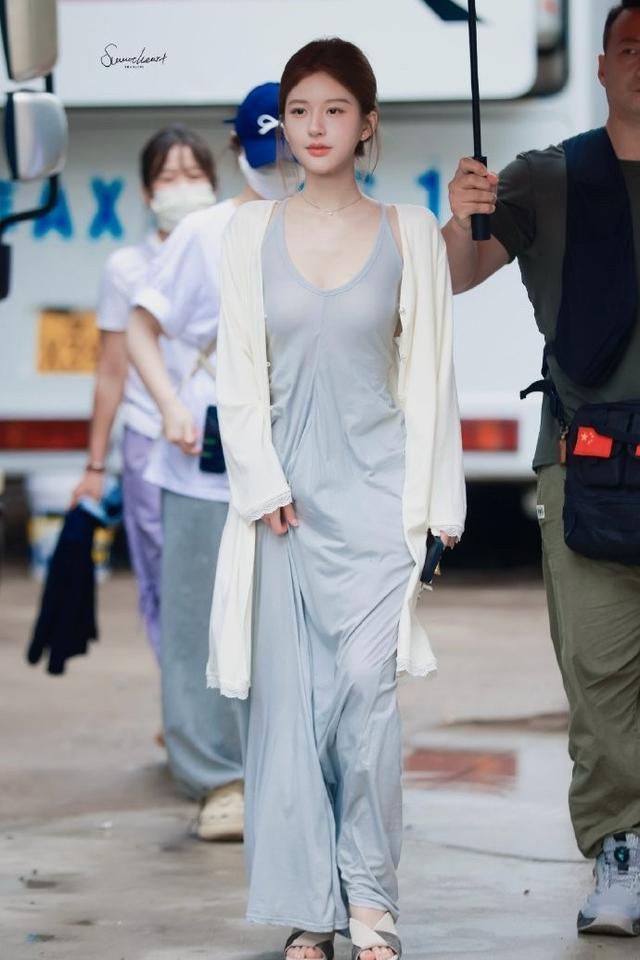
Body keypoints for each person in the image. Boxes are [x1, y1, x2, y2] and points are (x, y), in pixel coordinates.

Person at [207, 39, 466, 960]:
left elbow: (431, 377)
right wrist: (259, 480)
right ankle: (311, 912)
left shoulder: (408, 231)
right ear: (284, 124)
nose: (315, 127)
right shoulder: (247, 234)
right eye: (300, 110)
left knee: (365, 702)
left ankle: (373, 905)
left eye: (335, 109)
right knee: (292, 716)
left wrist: (439, 506)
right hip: (283, 506)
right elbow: (237, 371)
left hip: (377, 502)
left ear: (367, 125)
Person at [443, 1, 640, 939]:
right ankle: (620, 849)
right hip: (587, 462)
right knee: (599, 673)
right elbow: (457, 272)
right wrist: (462, 216)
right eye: (630, 47)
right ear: (600, 65)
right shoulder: (549, 176)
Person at [127, 83, 291, 842]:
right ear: (239, 151)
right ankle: (217, 777)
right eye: (267, 153)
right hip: (206, 452)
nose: (283, 166)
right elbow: (141, 326)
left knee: (289, 618)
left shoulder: (335, 225)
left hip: (297, 451)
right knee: (199, 618)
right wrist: (169, 406)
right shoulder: (204, 232)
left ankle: (288, 769)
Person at [71, 126, 217, 663]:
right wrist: (94, 465)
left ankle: (218, 693)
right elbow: (111, 370)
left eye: (194, 175)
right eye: (169, 177)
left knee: (221, 570)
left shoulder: (231, 250)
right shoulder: (126, 268)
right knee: (160, 570)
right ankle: (177, 688)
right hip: (148, 436)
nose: (183, 188)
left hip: (215, 436)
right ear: (146, 192)